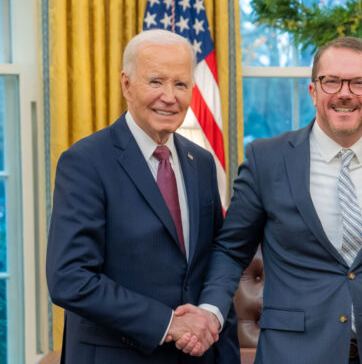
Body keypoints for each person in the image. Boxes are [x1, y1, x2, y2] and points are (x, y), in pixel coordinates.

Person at [182, 36, 362, 364]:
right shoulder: (267, 159)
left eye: (359, 83)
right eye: (332, 81)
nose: (345, 93)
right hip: (294, 352)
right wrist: (210, 311)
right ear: (313, 91)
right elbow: (230, 250)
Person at [45, 29, 239, 364]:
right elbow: (69, 278)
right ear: (126, 84)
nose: (170, 96)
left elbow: (215, 257)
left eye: (180, 84)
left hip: (199, 356)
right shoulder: (86, 161)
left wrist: (209, 316)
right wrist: (168, 324)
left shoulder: (202, 162)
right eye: (156, 82)